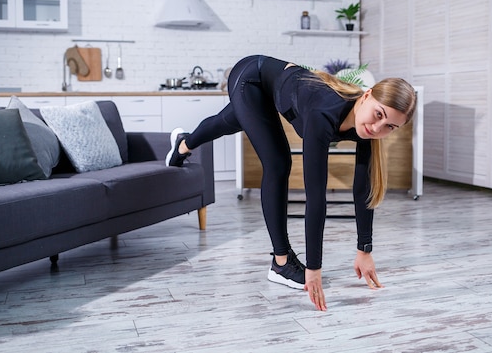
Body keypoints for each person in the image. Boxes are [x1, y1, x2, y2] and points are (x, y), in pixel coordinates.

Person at [165, 55, 417, 311]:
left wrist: (364, 249)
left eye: (390, 127)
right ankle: (281, 261)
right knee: (278, 162)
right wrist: (314, 268)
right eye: (378, 114)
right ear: (367, 96)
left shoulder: (367, 129)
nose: (377, 128)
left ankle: (183, 144)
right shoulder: (323, 113)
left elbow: (363, 188)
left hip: (270, 88)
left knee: (226, 122)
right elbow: (316, 196)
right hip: (251, 77)